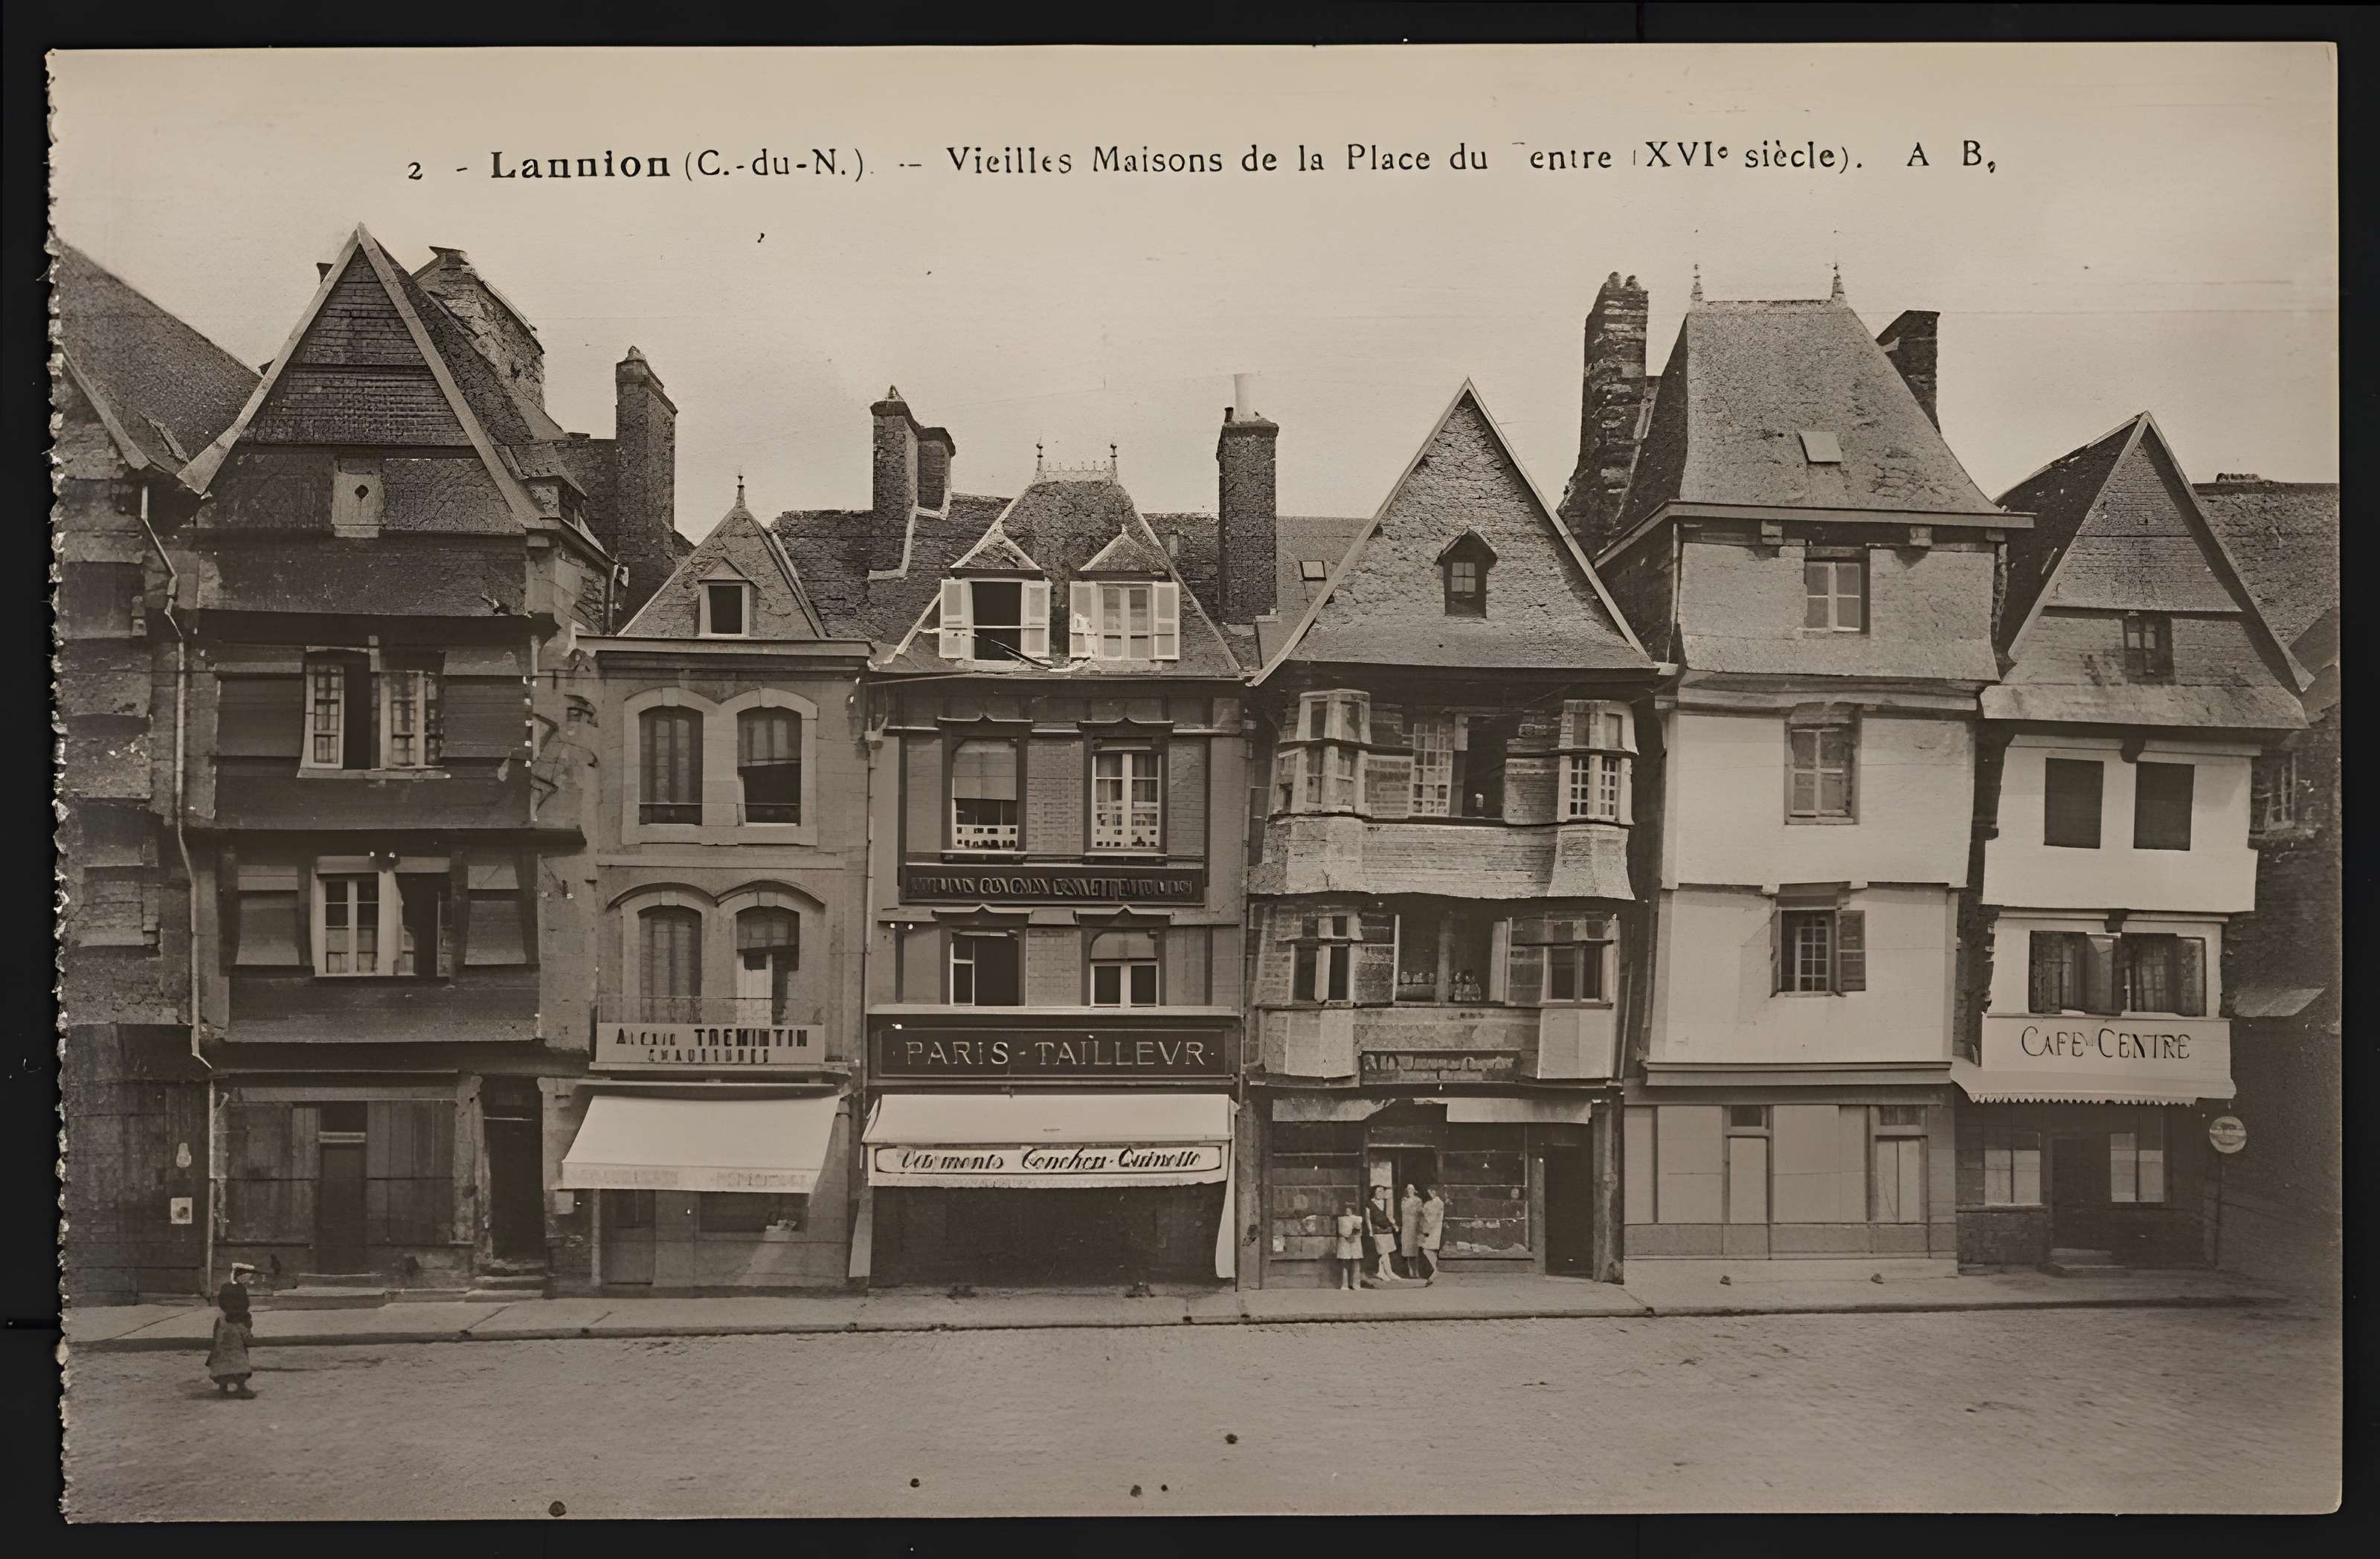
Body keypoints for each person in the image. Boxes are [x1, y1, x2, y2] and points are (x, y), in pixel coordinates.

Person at [207, 1263, 257, 1398]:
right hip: (235, 1325)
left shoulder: (229, 1288)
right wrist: (244, 1322)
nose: (248, 1280)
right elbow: (240, 1307)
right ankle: (241, 1387)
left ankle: (223, 1387)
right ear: (240, 1276)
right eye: (247, 1277)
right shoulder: (237, 1291)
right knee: (238, 1359)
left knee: (222, 1358)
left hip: (226, 1325)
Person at [1364, 1186, 1402, 1285]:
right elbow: (1368, 1218)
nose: (1380, 1193)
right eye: (1378, 1191)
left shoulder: (1386, 1202)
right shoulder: (1370, 1204)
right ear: (1374, 1193)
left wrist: (1394, 1226)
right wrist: (1370, 1231)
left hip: (1387, 1229)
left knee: (1386, 1251)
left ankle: (1381, 1272)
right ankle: (1389, 1272)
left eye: (1382, 1191)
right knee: (1383, 1251)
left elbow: (1390, 1216)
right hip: (1377, 1230)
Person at [1415, 1184, 1446, 1285]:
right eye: (1429, 1192)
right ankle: (1435, 1271)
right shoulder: (1430, 1202)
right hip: (1431, 1228)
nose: (1430, 1194)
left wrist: (1424, 1213)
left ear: (1435, 1192)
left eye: (1432, 1192)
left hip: (1435, 1229)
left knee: (1427, 1249)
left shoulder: (1438, 1203)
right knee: (1429, 1250)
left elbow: (1432, 1217)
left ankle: (1436, 1271)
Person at [1333, 1202, 1363, 1290]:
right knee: (1345, 1263)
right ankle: (1345, 1284)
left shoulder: (1358, 1219)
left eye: (1350, 1209)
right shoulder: (1341, 1219)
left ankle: (1356, 1284)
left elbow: (1359, 1229)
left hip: (1355, 1241)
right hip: (1345, 1242)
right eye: (1347, 1209)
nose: (1348, 1211)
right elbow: (1341, 1231)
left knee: (1356, 1263)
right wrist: (1347, 1234)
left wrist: (1354, 1229)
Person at [1399, 1183, 1424, 1279]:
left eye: (1411, 1189)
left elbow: (1420, 1212)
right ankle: (1410, 1270)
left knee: (1415, 1249)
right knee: (1408, 1249)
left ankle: (1416, 1270)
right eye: (1408, 1189)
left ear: (1414, 1190)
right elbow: (1403, 1212)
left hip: (1415, 1226)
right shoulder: (1404, 1201)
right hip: (1406, 1226)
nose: (1409, 1191)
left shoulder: (1418, 1200)